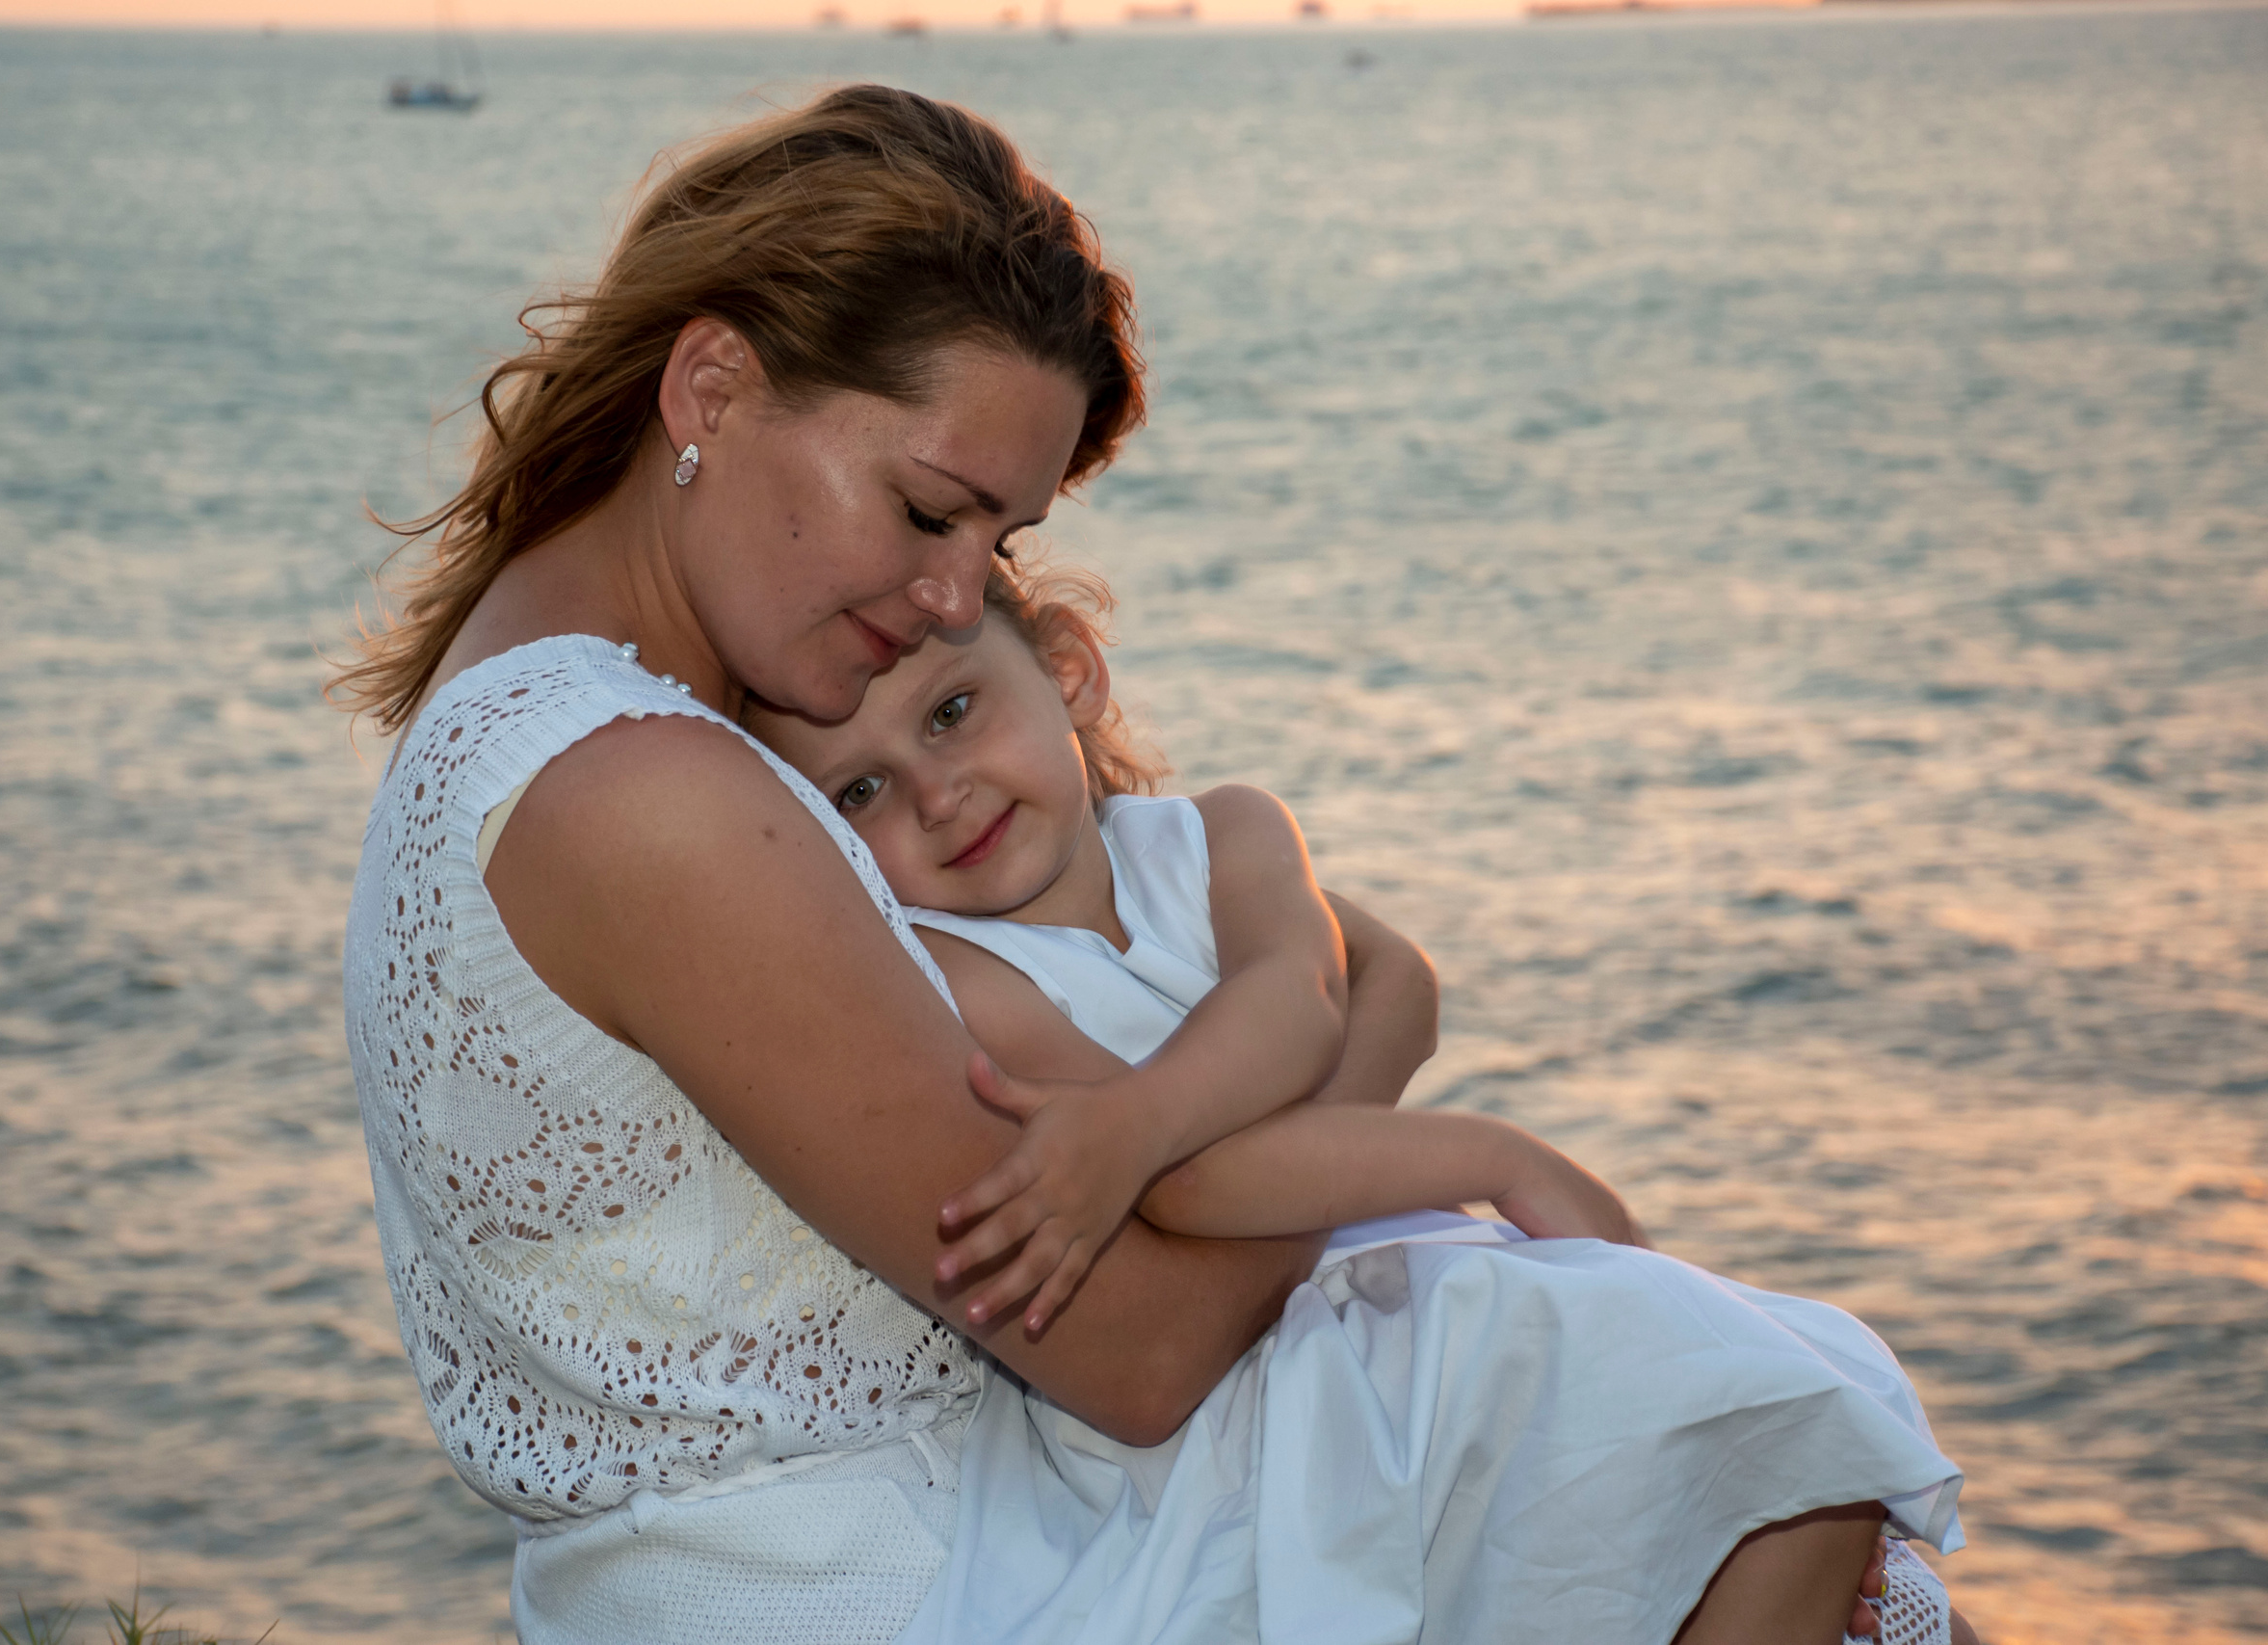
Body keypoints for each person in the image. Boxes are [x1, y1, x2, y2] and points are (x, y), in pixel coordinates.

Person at [335, 83, 1963, 1643]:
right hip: (917, 1595)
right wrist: (1380, 1058)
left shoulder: (568, 716)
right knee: (1737, 1436)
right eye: (924, 510)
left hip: (989, 1541)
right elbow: (1135, 1353)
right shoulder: (650, 797)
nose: (955, 596)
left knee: (1754, 1481)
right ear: (711, 390)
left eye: (1002, 541)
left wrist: (1328, 1013)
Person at [746, 559, 1978, 1644]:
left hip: (1379, 1298)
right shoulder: (962, 978)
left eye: (953, 715)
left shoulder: (1220, 834)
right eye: (858, 793)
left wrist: (1142, 1121)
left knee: (1791, 1430)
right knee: (1739, 1408)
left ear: (1068, 672)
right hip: (1240, 1408)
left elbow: (1303, 997)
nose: (936, 793)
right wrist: (1482, 1153)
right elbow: (1191, 1191)